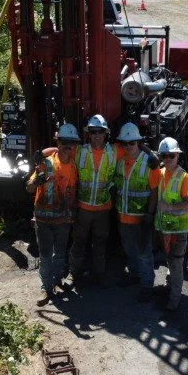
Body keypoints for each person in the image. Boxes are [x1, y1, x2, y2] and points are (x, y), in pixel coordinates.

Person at [27, 123, 80, 305]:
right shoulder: (47, 163)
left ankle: (57, 282)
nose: (68, 146)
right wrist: (37, 182)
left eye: (71, 143)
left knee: (60, 253)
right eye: (64, 142)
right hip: (43, 219)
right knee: (46, 255)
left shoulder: (74, 165)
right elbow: (28, 187)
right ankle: (46, 288)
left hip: (63, 219)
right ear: (58, 142)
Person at [113, 122, 160, 302]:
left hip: (141, 219)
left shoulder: (149, 163)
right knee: (129, 248)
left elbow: (154, 190)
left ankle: (147, 285)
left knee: (144, 252)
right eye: (125, 143)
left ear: (138, 143)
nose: (128, 146)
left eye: (132, 143)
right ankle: (134, 275)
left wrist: (150, 214)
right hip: (123, 216)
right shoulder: (120, 161)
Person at [70, 114, 117, 286]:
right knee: (78, 243)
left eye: (100, 131)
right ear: (88, 133)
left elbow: (135, 148)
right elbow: (56, 151)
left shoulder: (115, 151)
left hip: (103, 210)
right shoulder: (80, 151)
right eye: (93, 131)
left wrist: (152, 156)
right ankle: (74, 274)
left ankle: (99, 275)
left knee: (100, 245)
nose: (97, 135)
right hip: (83, 209)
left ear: (106, 133)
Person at [154, 137, 188, 310]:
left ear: (177, 156)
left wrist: (169, 207)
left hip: (179, 230)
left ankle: (174, 299)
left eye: (171, 155)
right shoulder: (161, 173)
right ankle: (170, 287)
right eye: (164, 156)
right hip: (165, 228)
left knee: (176, 263)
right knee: (169, 260)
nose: (168, 159)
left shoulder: (184, 178)